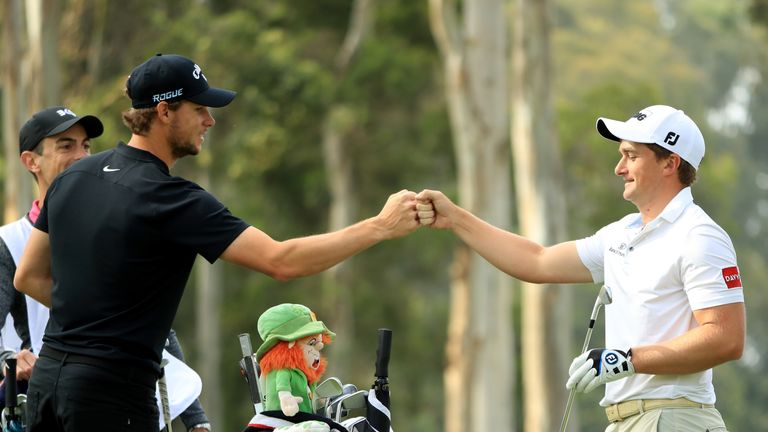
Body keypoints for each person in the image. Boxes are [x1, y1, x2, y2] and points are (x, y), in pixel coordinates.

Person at [14, 53, 421, 432]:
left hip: (48, 383)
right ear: (164, 111)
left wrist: (96, 319)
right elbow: (282, 261)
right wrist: (380, 226)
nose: (209, 121)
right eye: (199, 109)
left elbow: (29, 277)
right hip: (110, 394)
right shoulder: (172, 198)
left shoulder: (71, 178)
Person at [416, 105, 745, 431]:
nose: (619, 168)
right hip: (627, 420)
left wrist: (626, 359)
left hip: (674, 418)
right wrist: (456, 219)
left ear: (669, 163)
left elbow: (726, 338)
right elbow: (537, 261)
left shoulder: (698, 235)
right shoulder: (621, 234)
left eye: (631, 156)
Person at [1, 106, 213, 432]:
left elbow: (148, 325)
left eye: (86, 146)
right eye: (66, 146)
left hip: (111, 394)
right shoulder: (9, 241)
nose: (81, 155)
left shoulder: (110, 226)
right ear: (31, 161)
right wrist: (7, 359)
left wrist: (196, 420)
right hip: (38, 399)